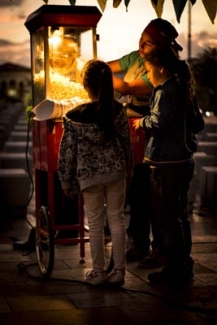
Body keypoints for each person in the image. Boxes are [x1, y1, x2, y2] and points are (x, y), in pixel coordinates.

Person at [108, 18, 183, 267]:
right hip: (136, 138)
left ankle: (162, 250)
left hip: (155, 143)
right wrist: (95, 66)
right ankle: (138, 242)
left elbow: (128, 87)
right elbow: (110, 67)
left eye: (147, 43)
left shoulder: (161, 72)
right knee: (138, 191)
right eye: (141, 38)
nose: (141, 45)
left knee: (156, 199)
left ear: (159, 49)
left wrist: (98, 76)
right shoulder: (136, 57)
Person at [57, 59, 133, 286]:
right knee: (117, 220)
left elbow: (67, 152)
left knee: (96, 223)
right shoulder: (118, 111)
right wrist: (129, 170)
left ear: (85, 84)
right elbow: (126, 144)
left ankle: (98, 272)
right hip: (116, 172)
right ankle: (119, 272)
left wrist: (66, 182)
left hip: (89, 176)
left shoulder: (74, 116)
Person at [133, 47, 204, 287]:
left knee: (168, 219)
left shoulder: (164, 91)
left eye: (148, 70)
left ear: (160, 67)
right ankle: (184, 265)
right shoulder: (185, 88)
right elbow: (198, 123)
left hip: (165, 162)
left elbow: (158, 122)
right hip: (184, 160)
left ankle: (175, 270)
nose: (147, 75)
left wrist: (141, 122)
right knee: (180, 216)